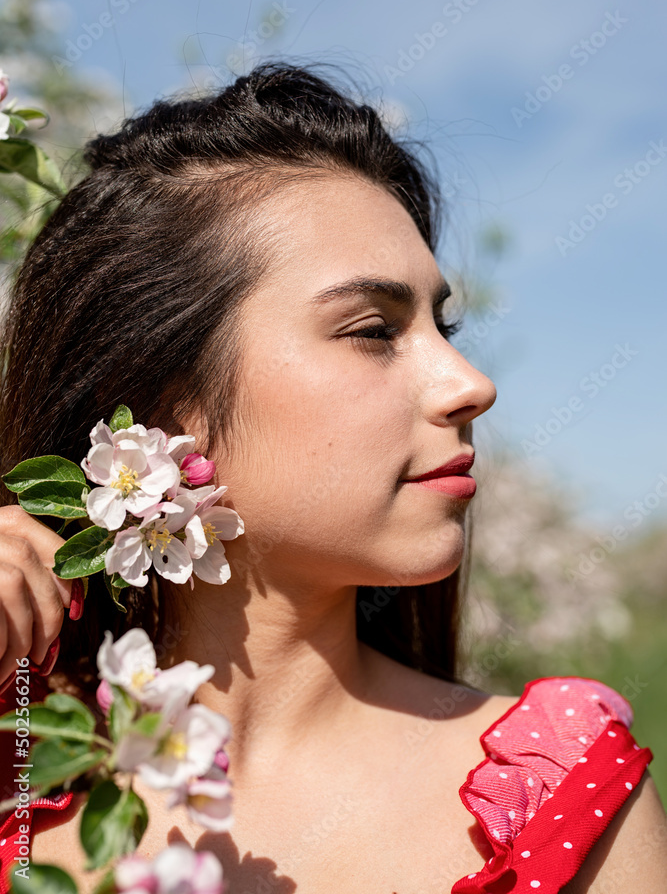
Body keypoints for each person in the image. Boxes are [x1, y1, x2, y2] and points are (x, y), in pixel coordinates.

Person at [0, 60, 665, 894]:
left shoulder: (560, 789)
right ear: (154, 403)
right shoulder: (24, 775)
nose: (470, 384)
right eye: (372, 330)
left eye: (442, 324)